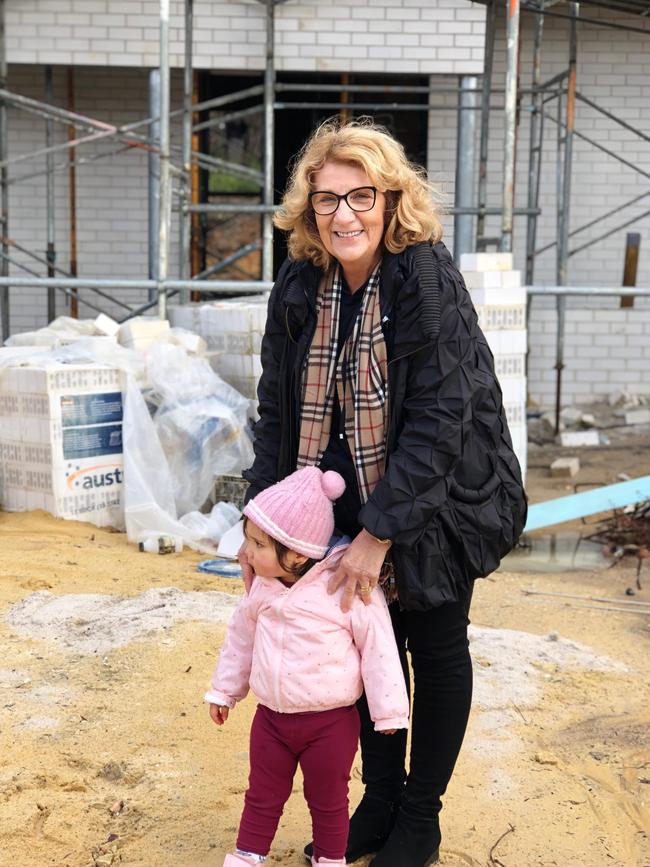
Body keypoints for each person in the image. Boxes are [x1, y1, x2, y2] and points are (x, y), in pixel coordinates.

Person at [240, 118, 525, 867]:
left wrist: (380, 532)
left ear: (391, 198)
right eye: (326, 199)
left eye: (360, 195)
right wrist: (261, 524)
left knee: (431, 646)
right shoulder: (302, 281)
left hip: (438, 495)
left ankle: (420, 816)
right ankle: (381, 797)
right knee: (363, 648)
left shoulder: (424, 276)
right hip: (339, 491)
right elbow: (277, 407)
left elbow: (440, 417)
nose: (344, 215)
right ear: (308, 210)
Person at [205, 465, 409, 867]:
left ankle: (330, 860)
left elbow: (379, 647)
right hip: (271, 719)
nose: (247, 552)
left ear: (296, 552)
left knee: (328, 799)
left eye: (258, 545)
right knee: (262, 793)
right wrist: (225, 691)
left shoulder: (344, 587)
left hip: (329, 723)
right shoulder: (261, 588)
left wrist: (388, 711)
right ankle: (248, 855)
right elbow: (240, 641)